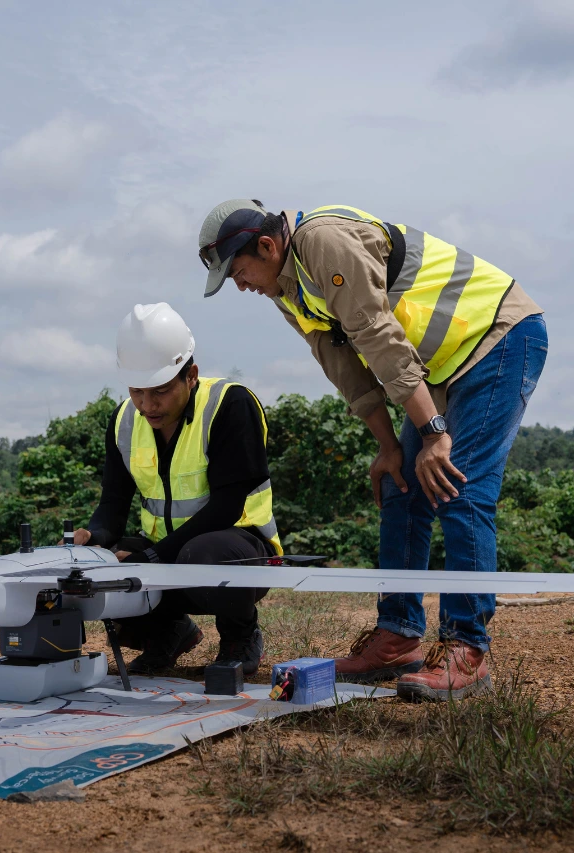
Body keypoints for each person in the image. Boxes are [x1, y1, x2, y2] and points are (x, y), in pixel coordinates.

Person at [197, 200, 548, 701]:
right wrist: (389, 446)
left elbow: (377, 334)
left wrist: (432, 433)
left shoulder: (323, 242)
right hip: (442, 367)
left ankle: (467, 650)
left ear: (268, 246)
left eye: (238, 271)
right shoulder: (285, 287)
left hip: (498, 336)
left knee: (457, 485)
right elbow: (343, 366)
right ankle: (398, 638)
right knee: (402, 486)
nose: (241, 285)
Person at [69, 302, 283, 675]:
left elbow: (228, 507)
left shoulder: (229, 406)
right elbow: (113, 505)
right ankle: (167, 633)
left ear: (191, 375)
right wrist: (96, 540)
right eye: (137, 391)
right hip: (165, 551)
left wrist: (151, 559)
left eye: (161, 391)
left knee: (204, 553)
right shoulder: (123, 421)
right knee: (102, 569)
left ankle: (240, 634)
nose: (147, 405)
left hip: (239, 552)